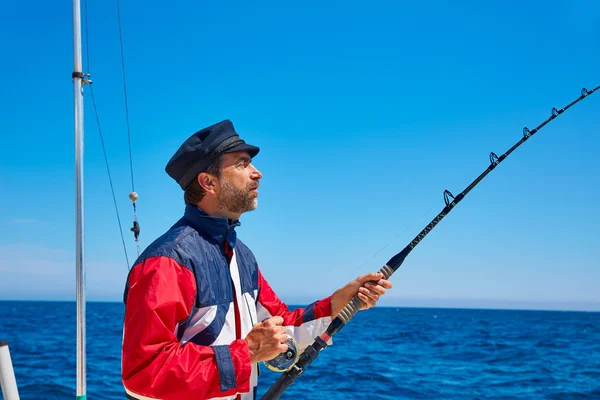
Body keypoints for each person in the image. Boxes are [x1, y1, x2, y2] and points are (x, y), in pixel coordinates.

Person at [121, 120, 392, 400]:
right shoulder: (167, 262)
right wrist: (248, 352)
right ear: (208, 182)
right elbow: (144, 371)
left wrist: (339, 302)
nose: (257, 173)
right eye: (242, 164)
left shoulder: (243, 257)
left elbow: (282, 326)